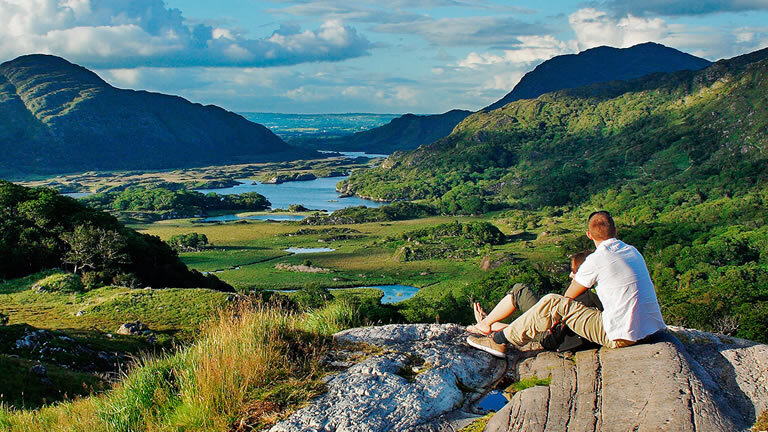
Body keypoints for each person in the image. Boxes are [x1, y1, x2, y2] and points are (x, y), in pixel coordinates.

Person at [467, 211, 666, 358]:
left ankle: (498, 341)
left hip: (621, 336)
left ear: (589, 235)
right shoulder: (632, 251)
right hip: (650, 330)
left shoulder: (597, 259)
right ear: (615, 231)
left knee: (552, 301)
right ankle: (496, 331)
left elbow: (566, 298)